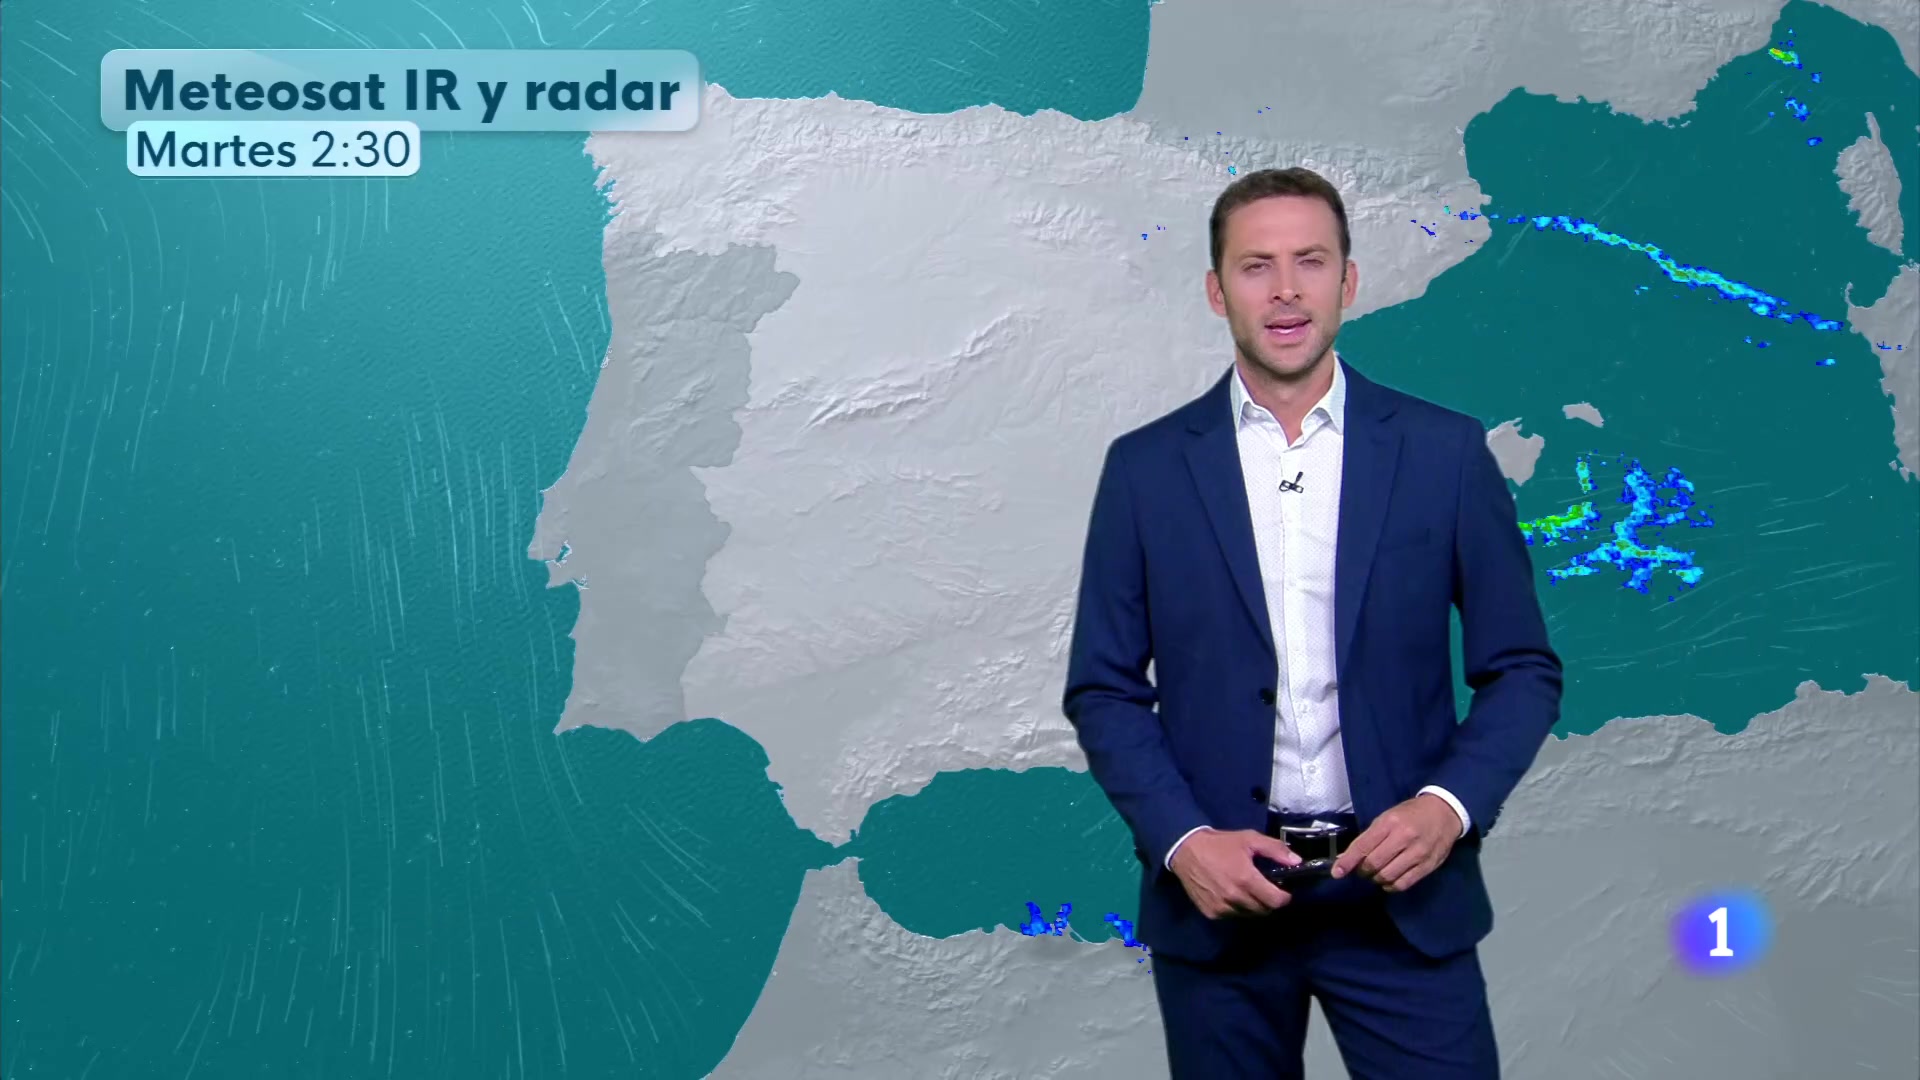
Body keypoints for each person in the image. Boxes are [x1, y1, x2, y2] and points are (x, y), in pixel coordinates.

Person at [1061, 166, 1562, 1079]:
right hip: (1219, 907)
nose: (1286, 289)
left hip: (1402, 903)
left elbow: (1523, 668)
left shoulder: (1445, 453)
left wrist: (1447, 809)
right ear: (1217, 291)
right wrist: (1184, 844)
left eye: (1311, 261)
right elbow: (1103, 689)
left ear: (1349, 281)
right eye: (1256, 266)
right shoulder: (1144, 470)